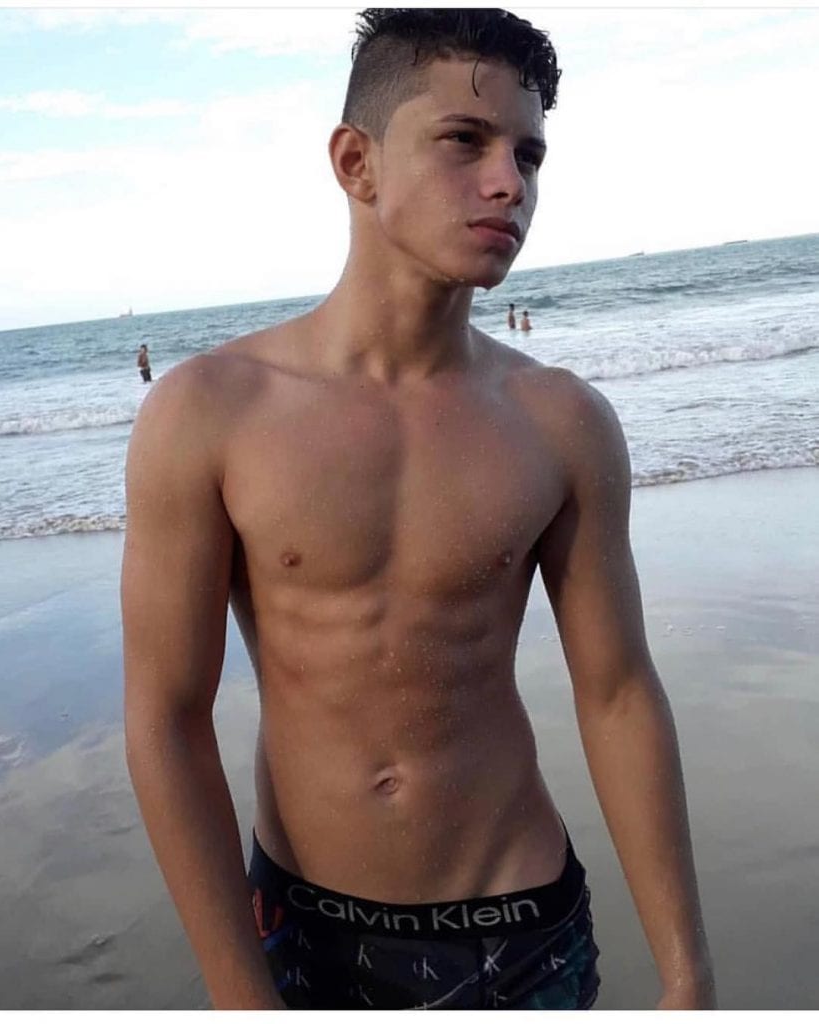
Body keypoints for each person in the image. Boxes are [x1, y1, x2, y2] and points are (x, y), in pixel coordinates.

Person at [121, 7, 715, 1012]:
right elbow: (167, 717)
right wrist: (238, 994)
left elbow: (618, 693)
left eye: (529, 154)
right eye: (464, 140)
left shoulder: (560, 421)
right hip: (302, 930)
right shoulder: (211, 412)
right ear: (357, 163)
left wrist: (688, 978)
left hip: (520, 928)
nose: (508, 182)